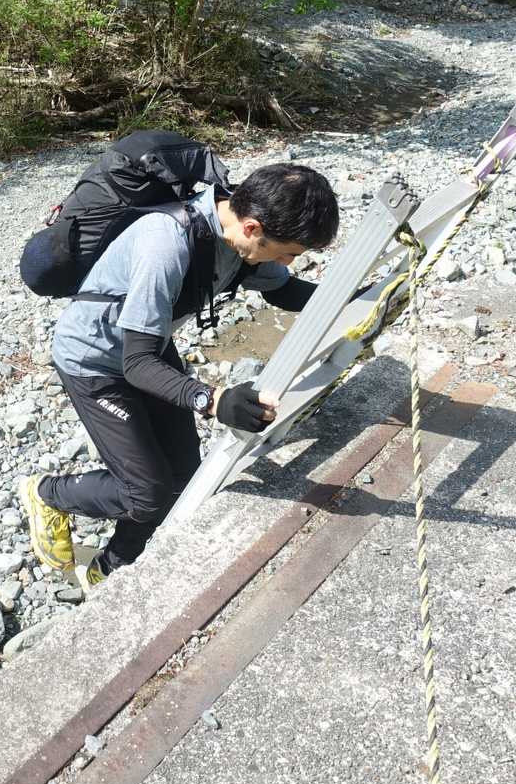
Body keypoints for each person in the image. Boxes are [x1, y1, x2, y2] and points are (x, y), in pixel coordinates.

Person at [22, 162, 339, 587]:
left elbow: (283, 290)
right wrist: (213, 400)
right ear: (252, 228)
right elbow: (137, 366)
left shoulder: (240, 237)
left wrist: (355, 299)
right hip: (94, 360)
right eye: (289, 253)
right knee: (146, 493)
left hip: (147, 346)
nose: (287, 263)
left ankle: (110, 568)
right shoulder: (166, 244)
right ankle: (48, 494)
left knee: (183, 478)